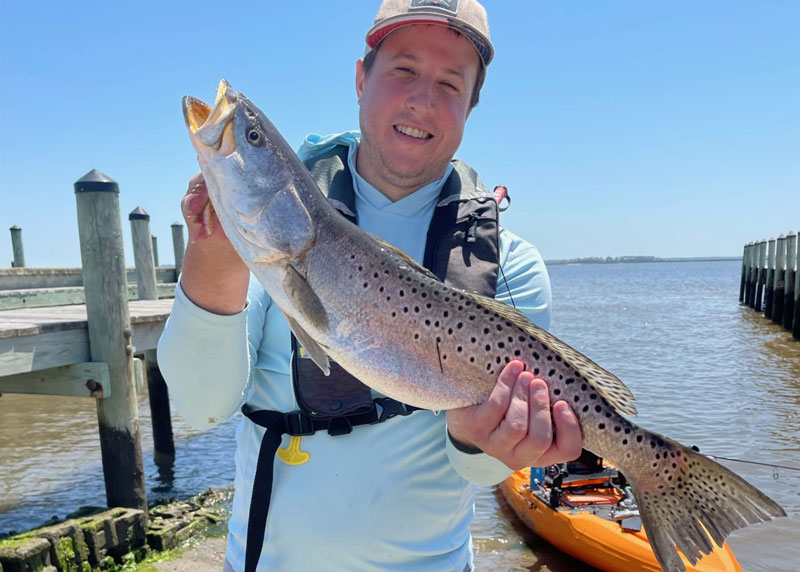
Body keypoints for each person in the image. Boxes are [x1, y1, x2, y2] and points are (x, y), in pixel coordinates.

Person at [158, 1, 583, 570]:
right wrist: (214, 256)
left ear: (470, 108)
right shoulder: (278, 230)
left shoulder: (512, 266)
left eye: (450, 84)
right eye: (403, 70)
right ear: (361, 78)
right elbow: (201, 407)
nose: (422, 100)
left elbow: (478, 472)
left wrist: (484, 440)